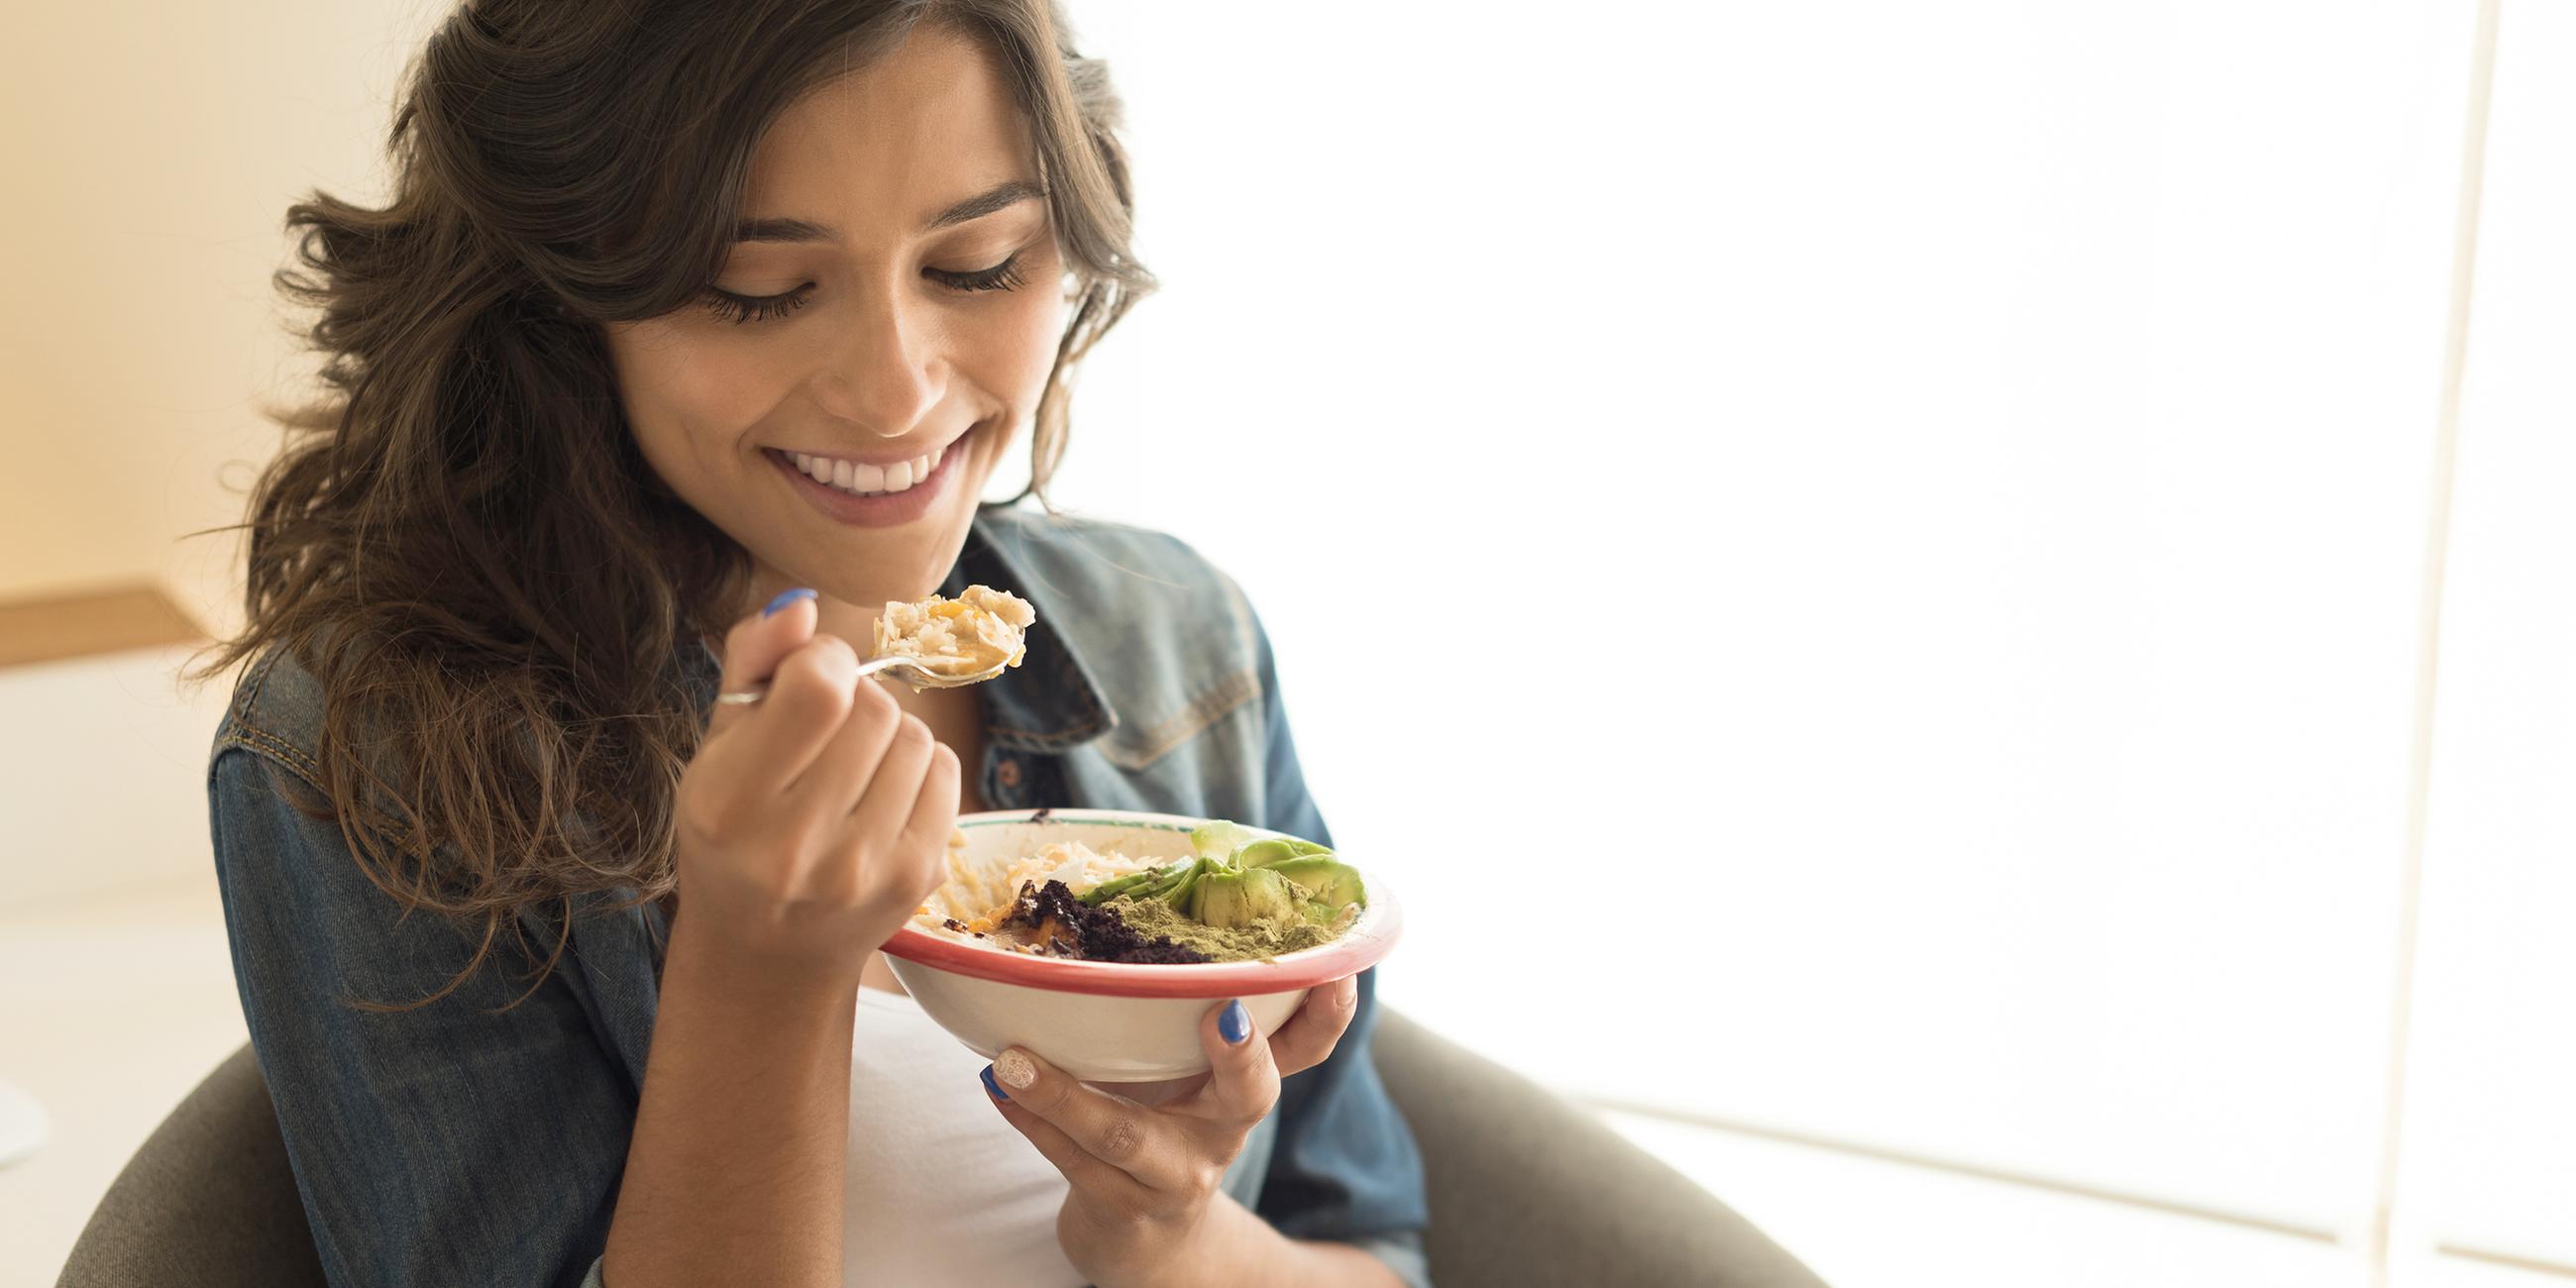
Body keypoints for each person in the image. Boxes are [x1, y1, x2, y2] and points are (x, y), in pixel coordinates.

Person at [184, 2, 1431, 1284]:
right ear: (561, 298)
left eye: (979, 264)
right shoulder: (378, 754)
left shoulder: (1178, 640)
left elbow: (1372, 1249)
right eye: (758, 290)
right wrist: (758, 985)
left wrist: (1169, 1237)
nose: (895, 390)